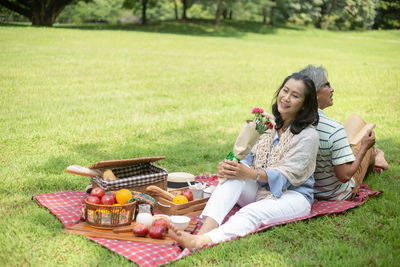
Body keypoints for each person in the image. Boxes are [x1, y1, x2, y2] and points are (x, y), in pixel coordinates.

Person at [168, 72, 320, 249]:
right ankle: (203, 231)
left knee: (250, 213)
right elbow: (245, 159)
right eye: (285, 91)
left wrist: (250, 173)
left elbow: (287, 177)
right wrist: (231, 166)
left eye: (295, 96)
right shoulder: (266, 124)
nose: (286, 98)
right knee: (233, 177)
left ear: (304, 105)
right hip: (260, 189)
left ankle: (202, 241)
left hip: (293, 196)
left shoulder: (308, 136)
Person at [299, 65, 389, 201]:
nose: (332, 89)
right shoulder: (334, 129)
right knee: (364, 147)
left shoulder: (292, 120)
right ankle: (377, 159)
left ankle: (375, 156)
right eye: (327, 85)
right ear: (315, 94)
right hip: (336, 194)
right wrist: (365, 147)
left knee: (351, 149)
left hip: (306, 190)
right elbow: (345, 176)